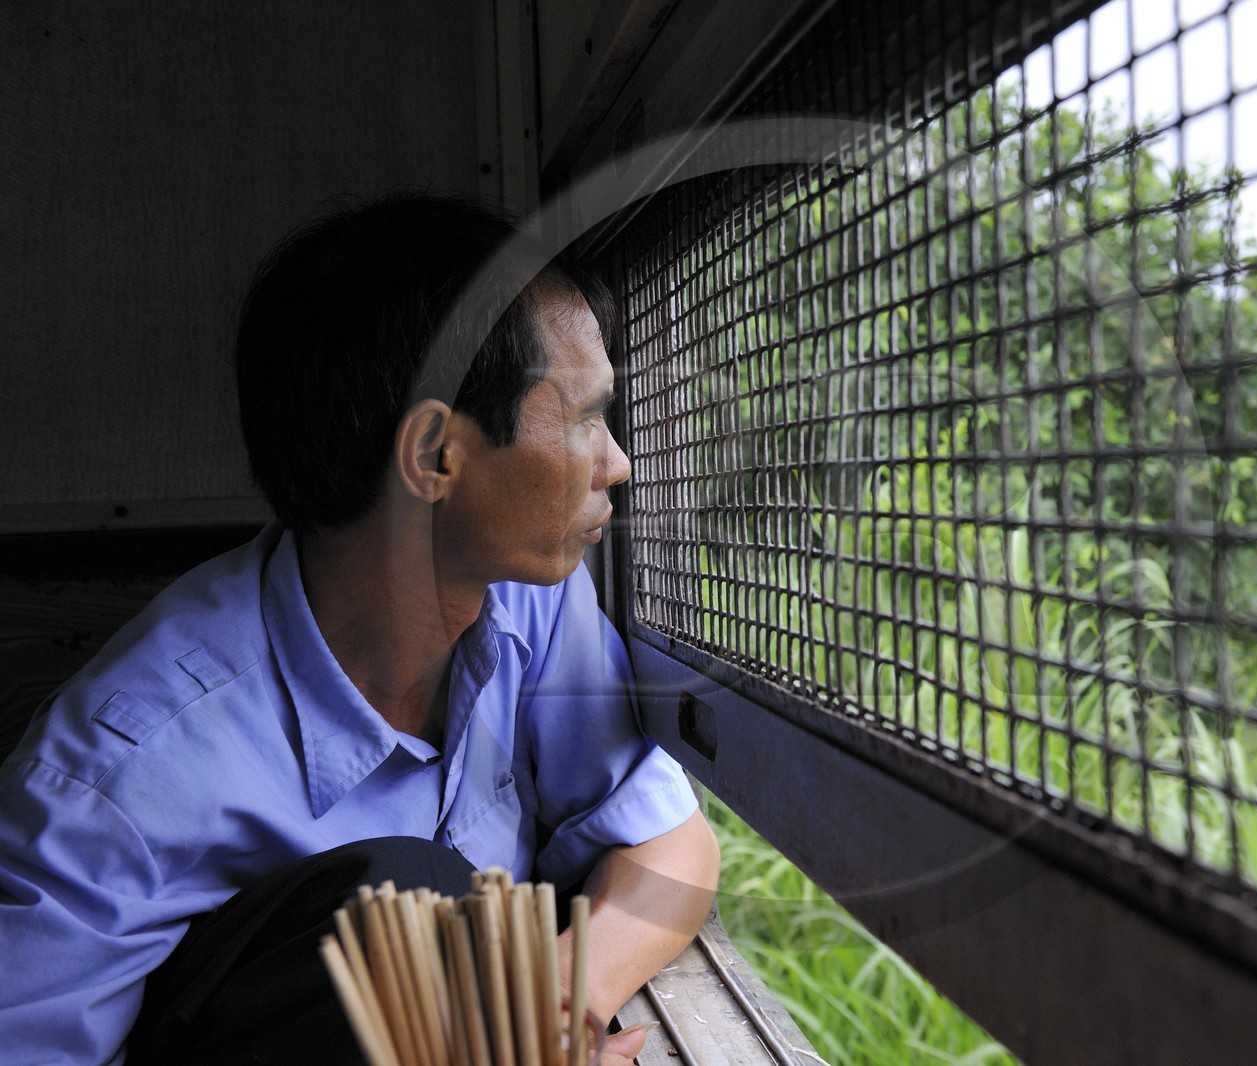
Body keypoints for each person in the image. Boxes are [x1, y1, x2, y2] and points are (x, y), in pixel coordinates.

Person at [0, 193, 720, 1064]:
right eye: (585, 419)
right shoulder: (115, 785)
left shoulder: (525, 596)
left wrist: (547, 1012)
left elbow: (670, 841)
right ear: (435, 454)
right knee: (409, 893)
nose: (619, 463)